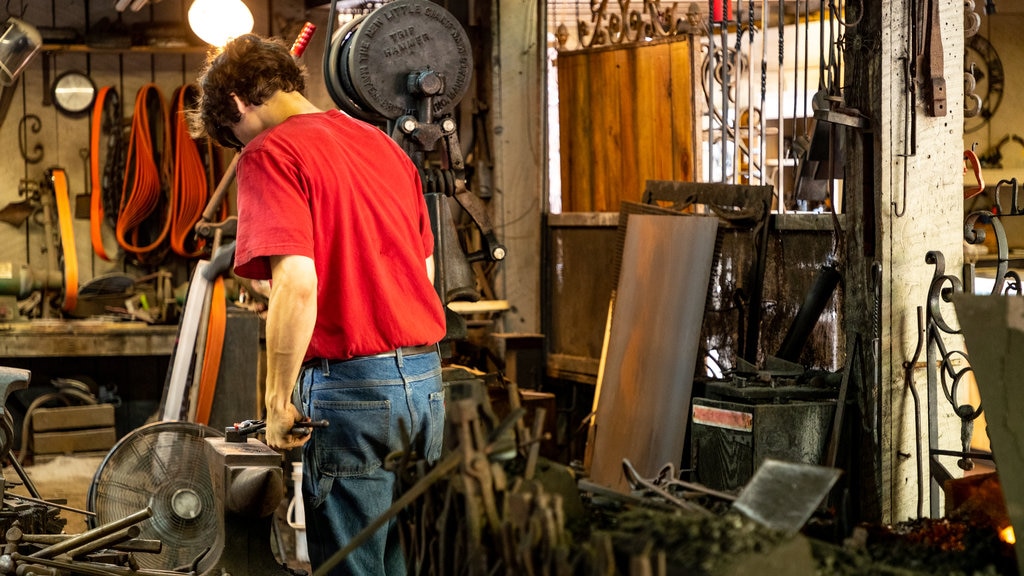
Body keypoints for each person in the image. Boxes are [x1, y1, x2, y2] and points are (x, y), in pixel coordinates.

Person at [188, 33, 447, 576]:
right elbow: (420, 273)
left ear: (237, 104)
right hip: (424, 386)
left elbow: (298, 284)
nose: (241, 150)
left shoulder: (270, 152)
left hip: (353, 396)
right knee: (399, 558)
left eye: (234, 139)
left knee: (353, 565)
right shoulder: (384, 147)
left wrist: (278, 401)